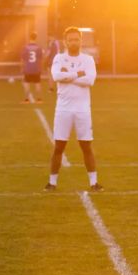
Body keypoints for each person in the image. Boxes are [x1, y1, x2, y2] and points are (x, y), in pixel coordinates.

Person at [46, 27, 101, 192]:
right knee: (59, 146)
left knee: (86, 146)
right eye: (70, 39)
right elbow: (56, 77)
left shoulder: (88, 60)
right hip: (63, 109)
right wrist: (78, 73)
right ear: (65, 41)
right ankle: (52, 183)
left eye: (76, 39)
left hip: (83, 109)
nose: (74, 42)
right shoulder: (59, 58)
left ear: (80, 40)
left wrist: (68, 75)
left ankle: (94, 183)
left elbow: (90, 80)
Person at [20, 32, 44, 104]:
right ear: (35, 38)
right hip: (36, 68)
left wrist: (22, 67)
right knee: (37, 83)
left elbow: (22, 59)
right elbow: (41, 59)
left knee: (26, 83)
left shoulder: (25, 47)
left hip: (28, 68)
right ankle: (39, 99)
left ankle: (26, 100)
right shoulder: (39, 48)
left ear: (29, 38)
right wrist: (41, 68)